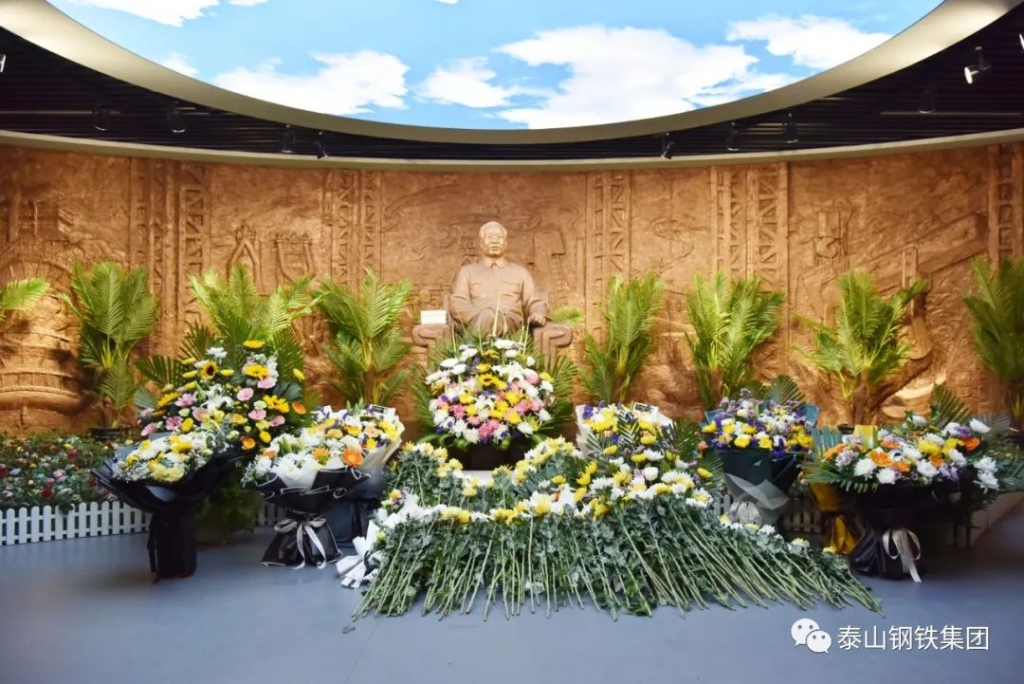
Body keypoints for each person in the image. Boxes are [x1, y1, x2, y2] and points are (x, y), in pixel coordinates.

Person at [447, 221, 548, 335]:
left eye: (499, 237)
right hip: (476, 321)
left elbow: (535, 302)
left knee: (492, 318)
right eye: (489, 237)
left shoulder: (520, 272)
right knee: (488, 316)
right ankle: (489, 341)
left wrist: (538, 313)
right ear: (481, 243)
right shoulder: (467, 272)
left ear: (506, 243)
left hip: (510, 324)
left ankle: (479, 345)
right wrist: (480, 316)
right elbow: (458, 303)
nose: (494, 241)